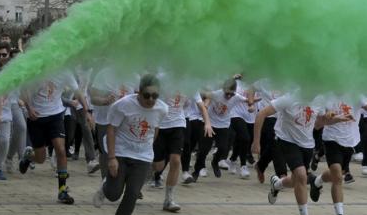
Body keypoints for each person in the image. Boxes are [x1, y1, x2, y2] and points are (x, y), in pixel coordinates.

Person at [251, 91, 351, 215]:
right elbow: (262, 114)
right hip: (286, 140)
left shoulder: (319, 99)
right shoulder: (289, 98)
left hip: (307, 144)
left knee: (295, 180)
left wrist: (336, 119)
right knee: (302, 176)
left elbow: (318, 125)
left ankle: (276, 184)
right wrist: (256, 142)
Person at [92, 74, 168, 215]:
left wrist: (148, 150)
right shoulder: (123, 105)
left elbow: (155, 129)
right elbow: (111, 129)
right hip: (121, 152)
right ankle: (105, 187)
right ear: (138, 92)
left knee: (132, 194)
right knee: (113, 194)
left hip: (142, 157)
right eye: (146, 95)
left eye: (155, 95)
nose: (150, 99)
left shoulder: (162, 109)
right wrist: (111, 158)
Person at [18, 71, 79, 204]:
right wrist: (29, 109)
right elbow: (23, 91)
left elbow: (78, 91)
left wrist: (87, 112)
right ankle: (29, 156)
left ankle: (62, 191)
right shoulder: (36, 70)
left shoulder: (65, 71)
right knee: (40, 158)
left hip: (56, 116)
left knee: (61, 150)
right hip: (36, 117)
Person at [152, 79, 213, 212]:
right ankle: (145, 176)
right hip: (159, 126)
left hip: (178, 124)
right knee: (158, 166)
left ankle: (169, 199)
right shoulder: (163, 78)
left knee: (175, 160)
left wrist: (207, 122)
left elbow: (201, 105)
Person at [192, 78, 252, 180]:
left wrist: (251, 104)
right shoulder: (216, 94)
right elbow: (204, 95)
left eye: (231, 94)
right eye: (226, 93)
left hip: (223, 125)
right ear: (223, 89)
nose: (229, 96)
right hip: (210, 124)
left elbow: (247, 100)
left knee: (223, 148)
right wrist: (205, 101)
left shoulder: (236, 97)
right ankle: (196, 171)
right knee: (203, 150)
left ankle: (215, 162)